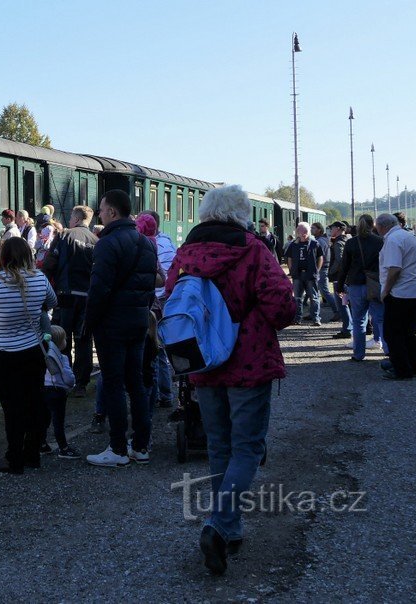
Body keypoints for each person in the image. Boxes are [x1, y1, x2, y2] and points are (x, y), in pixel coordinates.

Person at [163, 185, 295, 576]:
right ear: (241, 213)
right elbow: (281, 306)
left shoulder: (187, 253)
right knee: (250, 448)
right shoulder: (253, 249)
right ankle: (218, 524)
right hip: (248, 361)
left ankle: (230, 528)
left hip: (204, 363)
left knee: (220, 446)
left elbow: (170, 298)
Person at [84, 189, 157, 469]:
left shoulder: (107, 244)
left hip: (112, 324)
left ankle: (117, 448)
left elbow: (98, 289)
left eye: (101, 209)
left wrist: (89, 324)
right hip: (138, 320)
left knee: (114, 383)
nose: (99, 213)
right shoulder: (146, 244)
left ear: (112, 212)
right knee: (136, 383)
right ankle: (140, 446)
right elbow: (150, 287)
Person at [0, 236, 56, 474]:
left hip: (2, 354)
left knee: (12, 408)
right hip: (32, 351)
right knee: (34, 402)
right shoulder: (40, 278)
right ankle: (32, 453)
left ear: (3, 257)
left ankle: (14, 458)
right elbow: (52, 302)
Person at [42, 205, 97, 395]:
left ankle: (64, 378)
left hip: (65, 294)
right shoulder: (96, 241)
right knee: (84, 339)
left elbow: (50, 263)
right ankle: (81, 383)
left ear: (75, 218)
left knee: (62, 338)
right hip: (87, 297)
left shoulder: (65, 235)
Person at [376, 212, 416, 380]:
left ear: (382, 226)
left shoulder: (393, 240)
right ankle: (414, 366)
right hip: (414, 290)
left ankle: (402, 370)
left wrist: (385, 290)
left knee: (392, 333)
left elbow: (394, 269)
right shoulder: (409, 236)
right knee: (408, 332)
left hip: (399, 292)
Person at [340, 214, 386, 360]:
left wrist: (340, 285)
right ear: (373, 225)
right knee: (380, 318)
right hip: (375, 284)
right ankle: (388, 350)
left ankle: (358, 354)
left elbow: (344, 266)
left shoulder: (351, 243)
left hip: (355, 284)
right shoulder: (380, 242)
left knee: (359, 320)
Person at [143, 210, 177, 408]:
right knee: (162, 349)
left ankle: (154, 392)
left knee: (151, 349)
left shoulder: (148, 245)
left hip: (153, 302)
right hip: (165, 298)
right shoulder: (169, 242)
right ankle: (166, 394)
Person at [41, 325, 79, 458]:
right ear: (60, 342)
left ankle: (42, 443)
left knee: (44, 419)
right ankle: (63, 447)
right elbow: (68, 377)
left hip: (43, 390)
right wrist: (72, 384)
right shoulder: (62, 358)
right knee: (58, 421)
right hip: (57, 392)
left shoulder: (42, 357)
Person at [285, 223, 322, 326]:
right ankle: (297, 318)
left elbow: (320, 257)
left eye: (305, 231)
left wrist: (317, 270)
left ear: (309, 232)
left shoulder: (314, 243)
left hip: (310, 274)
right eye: (301, 231)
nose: (304, 234)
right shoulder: (293, 244)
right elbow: (289, 258)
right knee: (297, 298)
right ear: (297, 233)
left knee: (314, 297)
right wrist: (291, 270)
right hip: (297, 275)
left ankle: (316, 318)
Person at [327, 221, 352, 340]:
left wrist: (331, 271)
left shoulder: (338, 243)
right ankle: (348, 327)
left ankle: (347, 329)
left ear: (338, 228)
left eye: (332, 228)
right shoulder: (348, 240)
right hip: (346, 277)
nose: (331, 230)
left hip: (339, 278)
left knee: (342, 305)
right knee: (346, 304)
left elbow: (339, 260)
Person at [310, 222, 337, 323]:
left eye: (313, 228)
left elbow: (317, 256)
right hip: (322, 268)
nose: (311, 229)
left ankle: (337, 310)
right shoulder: (322, 240)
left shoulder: (320, 241)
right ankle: (313, 312)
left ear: (319, 230)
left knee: (324, 291)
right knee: (315, 291)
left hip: (321, 268)